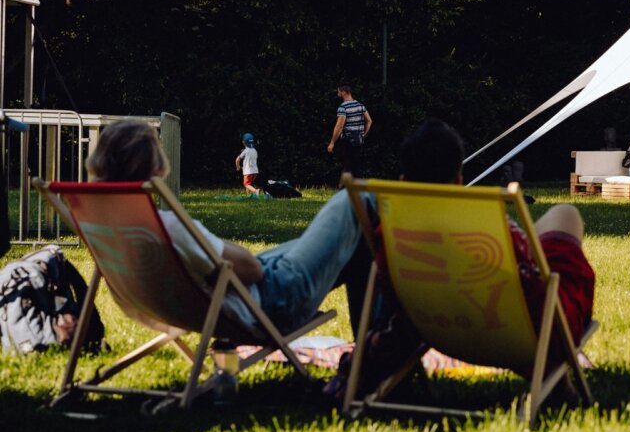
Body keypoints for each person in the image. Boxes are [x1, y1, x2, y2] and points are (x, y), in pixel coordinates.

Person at [87, 119, 372, 334]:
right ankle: (378, 350)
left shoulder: (107, 230)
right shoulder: (166, 229)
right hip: (271, 301)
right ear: (155, 164)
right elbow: (251, 269)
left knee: (357, 245)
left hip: (214, 306)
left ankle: (371, 352)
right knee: (354, 200)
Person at [399, 119, 595, 347]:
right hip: (535, 332)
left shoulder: (394, 236)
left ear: (403, 181)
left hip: (439, 329)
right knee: (566, 214)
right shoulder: (483, 230)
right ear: (459, 181)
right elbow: (527, 271)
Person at [328, 83, 372, 180]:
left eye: (338, 92)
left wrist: (332, 142)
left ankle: (345, 190)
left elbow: (339, 126)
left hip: (347, 141)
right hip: (358, 140)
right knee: (357, 166)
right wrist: (363, 134)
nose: (337, 94)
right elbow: (369, 121)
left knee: (347, 166)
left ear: (343, 92)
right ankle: (359, 189)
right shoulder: (360, 105)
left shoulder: (343, 107)